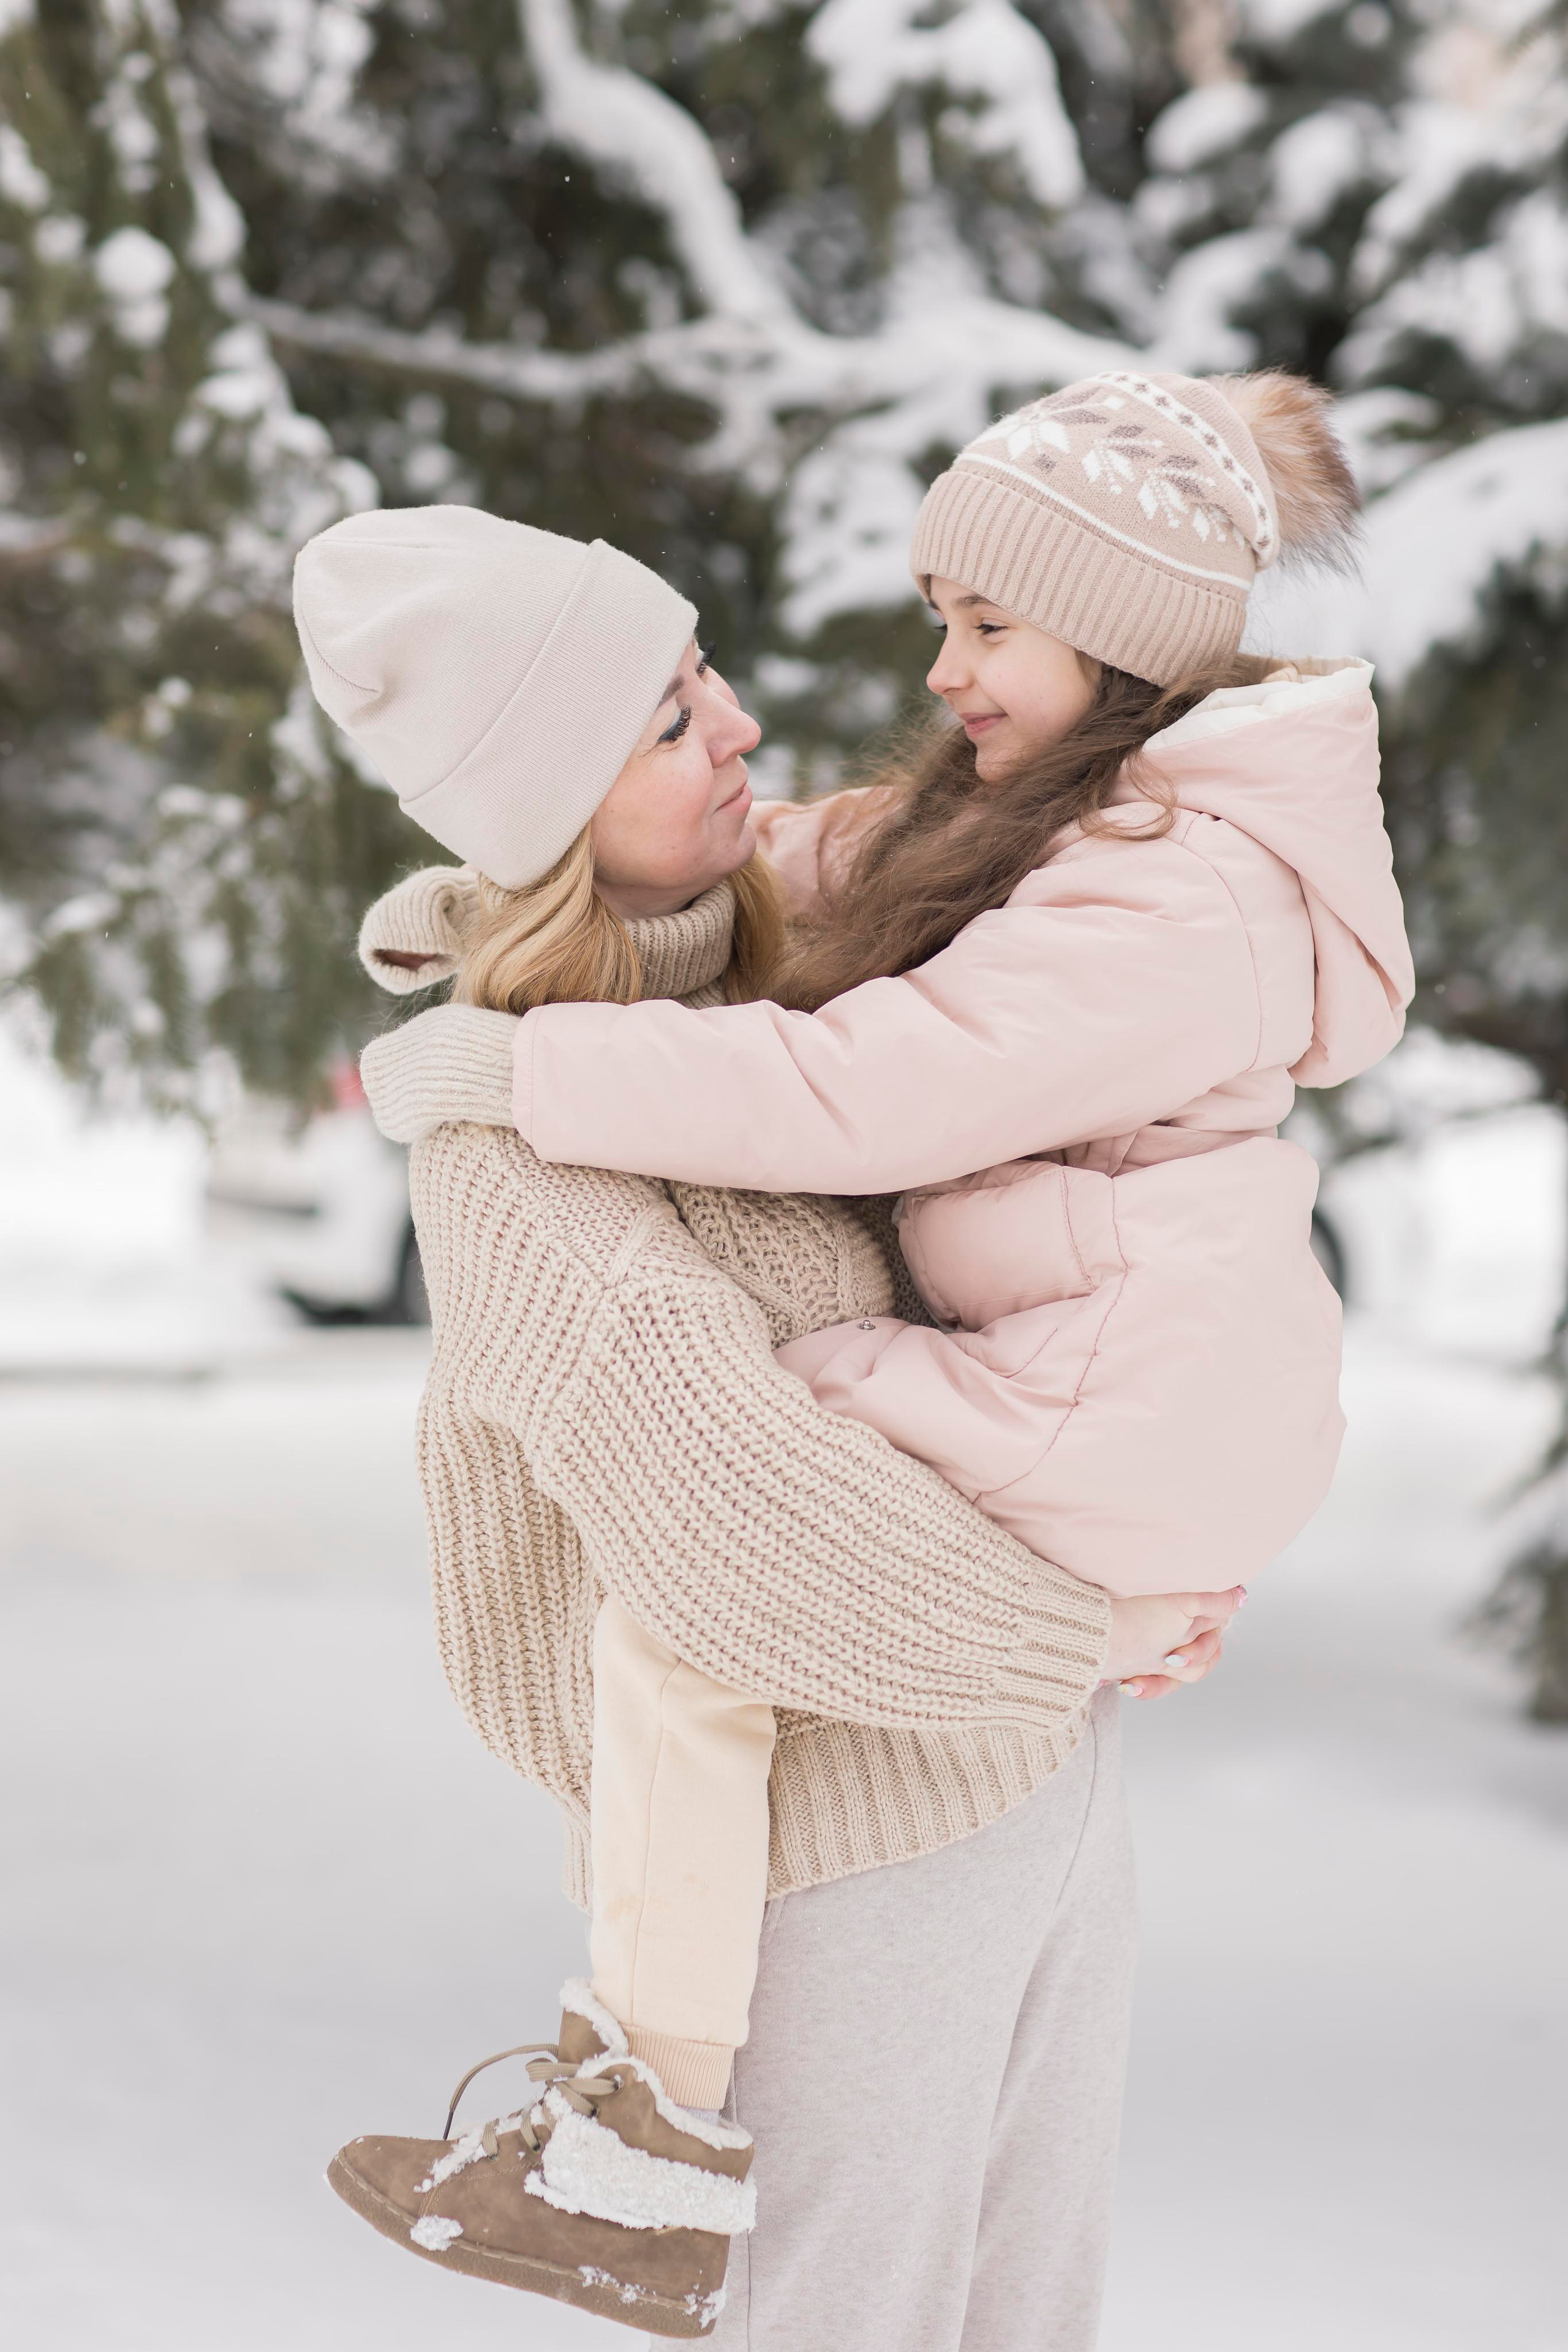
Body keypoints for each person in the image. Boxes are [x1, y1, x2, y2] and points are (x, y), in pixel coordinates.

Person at [295, 505, 1232, 2346]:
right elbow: (749, 1526)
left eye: (703, 669)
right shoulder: (513, 1163)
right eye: (660, 720)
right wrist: (1086, 1628)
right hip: (832, 1877)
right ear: (550, 807)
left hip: (1037, 1789)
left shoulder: (794, 982)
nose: (734, 726)